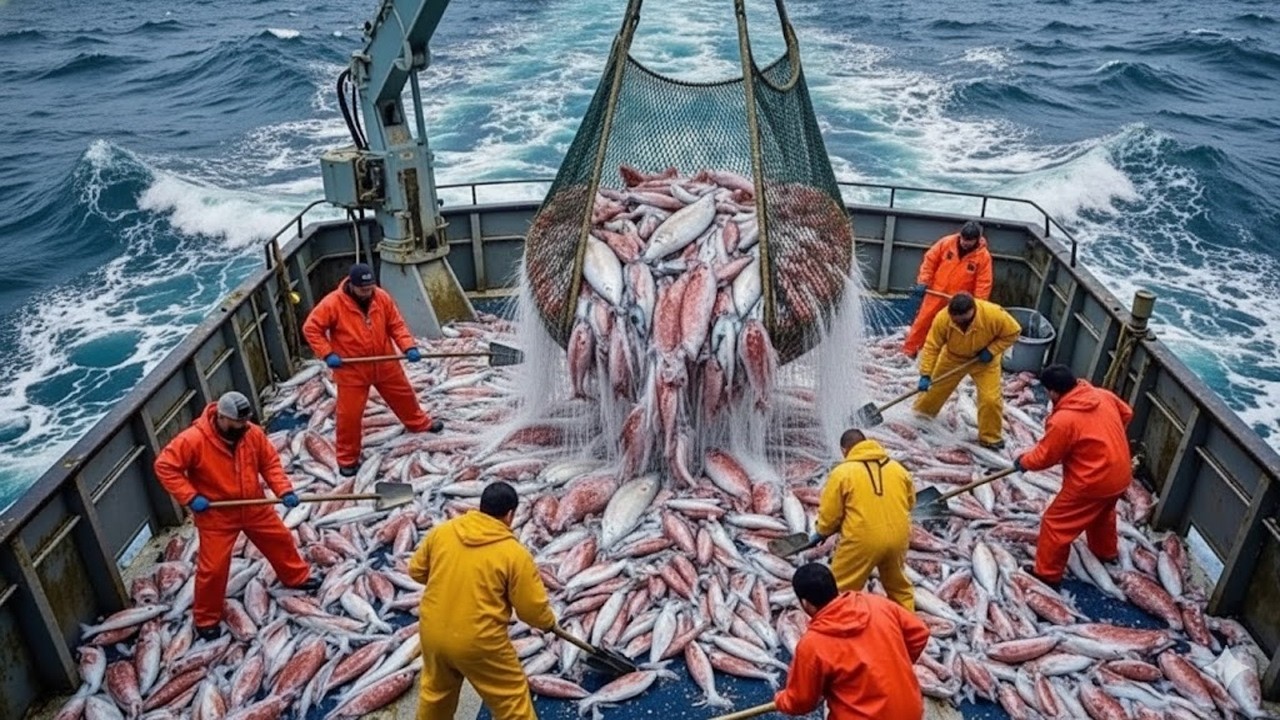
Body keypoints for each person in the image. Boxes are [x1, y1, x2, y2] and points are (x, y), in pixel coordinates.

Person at [154, 391, 319, 640]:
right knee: (214, 568)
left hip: (253, 505)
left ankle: (297, 577)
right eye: (237, 423)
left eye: (245, 421)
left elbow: (270, 463)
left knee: (281, 540)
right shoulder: (193, 440)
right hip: (217, 514)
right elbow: (165, 466)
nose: (243, 427)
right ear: (221, 417)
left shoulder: (251, 433)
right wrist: (189, 496)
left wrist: (283, 489)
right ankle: (206, 619)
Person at [409, 481, 556, 720]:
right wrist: (548, 623)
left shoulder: (443, 532)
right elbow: (531, 611)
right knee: (512, 700)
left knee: (436, 693)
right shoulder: (514, 555)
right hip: (479, 642)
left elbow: (416, 570)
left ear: (481, 507)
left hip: (432, 633)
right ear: (510, 515)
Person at [302, 262, 442, 477]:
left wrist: (408, 346)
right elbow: (311, 328)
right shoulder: (332, 303)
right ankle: (347, 459)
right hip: (352, 369)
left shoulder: (381, 297)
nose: (369, 293)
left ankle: (419, 424)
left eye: (371, 288)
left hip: (385, 361)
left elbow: (396, 324)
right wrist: (327, 353)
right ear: (352, 286)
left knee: (404, 396)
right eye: (364, 289)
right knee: (349, 416)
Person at [1015, 364, 1133, 588]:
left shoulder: (1064, 420)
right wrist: (1106, 438)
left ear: (1053, 392)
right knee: (1102, 514)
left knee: (1055, 524)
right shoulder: (1102, 395)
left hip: (1092, 482)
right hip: (1121, 474)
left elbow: (1044, 458)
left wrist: (1023, 462)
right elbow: (1127, 413)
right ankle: (1106, 553)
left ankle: (1047, 576)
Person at [774, 563, 929, 720]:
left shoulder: (812, 645)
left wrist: (781, 700)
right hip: (911, 712)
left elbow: (801, 702)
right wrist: (898, 663)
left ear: (805, 603)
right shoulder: (877, 604)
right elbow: (920, 633)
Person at [809, 429, 916, 610]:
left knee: (839, 589)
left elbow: (831, 513)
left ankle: (838, 630)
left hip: (862, 540)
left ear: (844, 450)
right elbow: (911, 503)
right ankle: (911, 629)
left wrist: (822, 532)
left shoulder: (842, 472)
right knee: (899, 587)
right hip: (899, 536)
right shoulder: (898, 469)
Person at [913, 292, 1021, 450]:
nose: (961, 325)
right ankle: (920, 419)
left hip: (984, 361)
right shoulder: (942, 318)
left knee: (990, 399)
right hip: (952, 358)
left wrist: (992, 350)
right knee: (932, 393)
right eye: (957, 322)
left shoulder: (994, 314)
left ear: (973, 311)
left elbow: (1013, 332)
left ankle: (990, 437)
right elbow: (932, 347)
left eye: (965, 322)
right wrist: (925, 373)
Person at [903, 220, 993, 358]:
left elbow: (983, 283)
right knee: (922, 323)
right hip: (936, 293)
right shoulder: (946, 243)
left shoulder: (983, 257)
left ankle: (941, 359)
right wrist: (923, 282)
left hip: (958, 302)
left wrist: (977, 305)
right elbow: (929, 261)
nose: (965, 243)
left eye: (969, 241)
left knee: (953, 331)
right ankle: (908, 352)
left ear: (977, 240)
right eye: (963, 239)